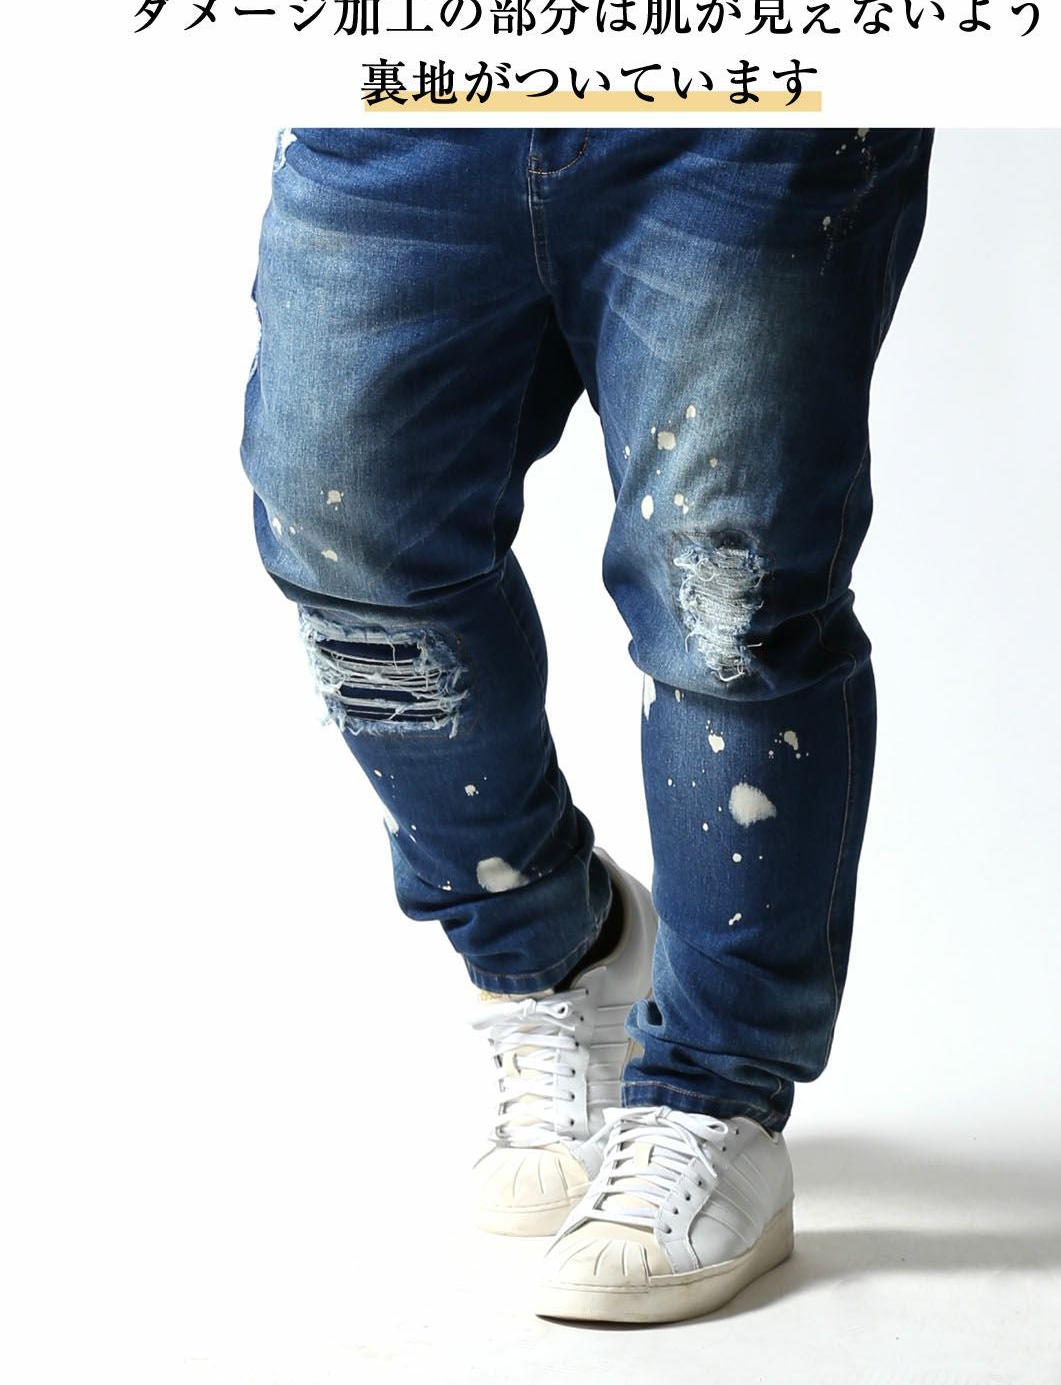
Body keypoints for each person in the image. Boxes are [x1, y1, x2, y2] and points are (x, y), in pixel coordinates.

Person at [239, 125, 933, 1324]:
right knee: (346, 534)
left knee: (725, 598)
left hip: (738, 101)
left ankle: (713, 1094)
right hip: (412, 85)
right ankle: (558, 945)